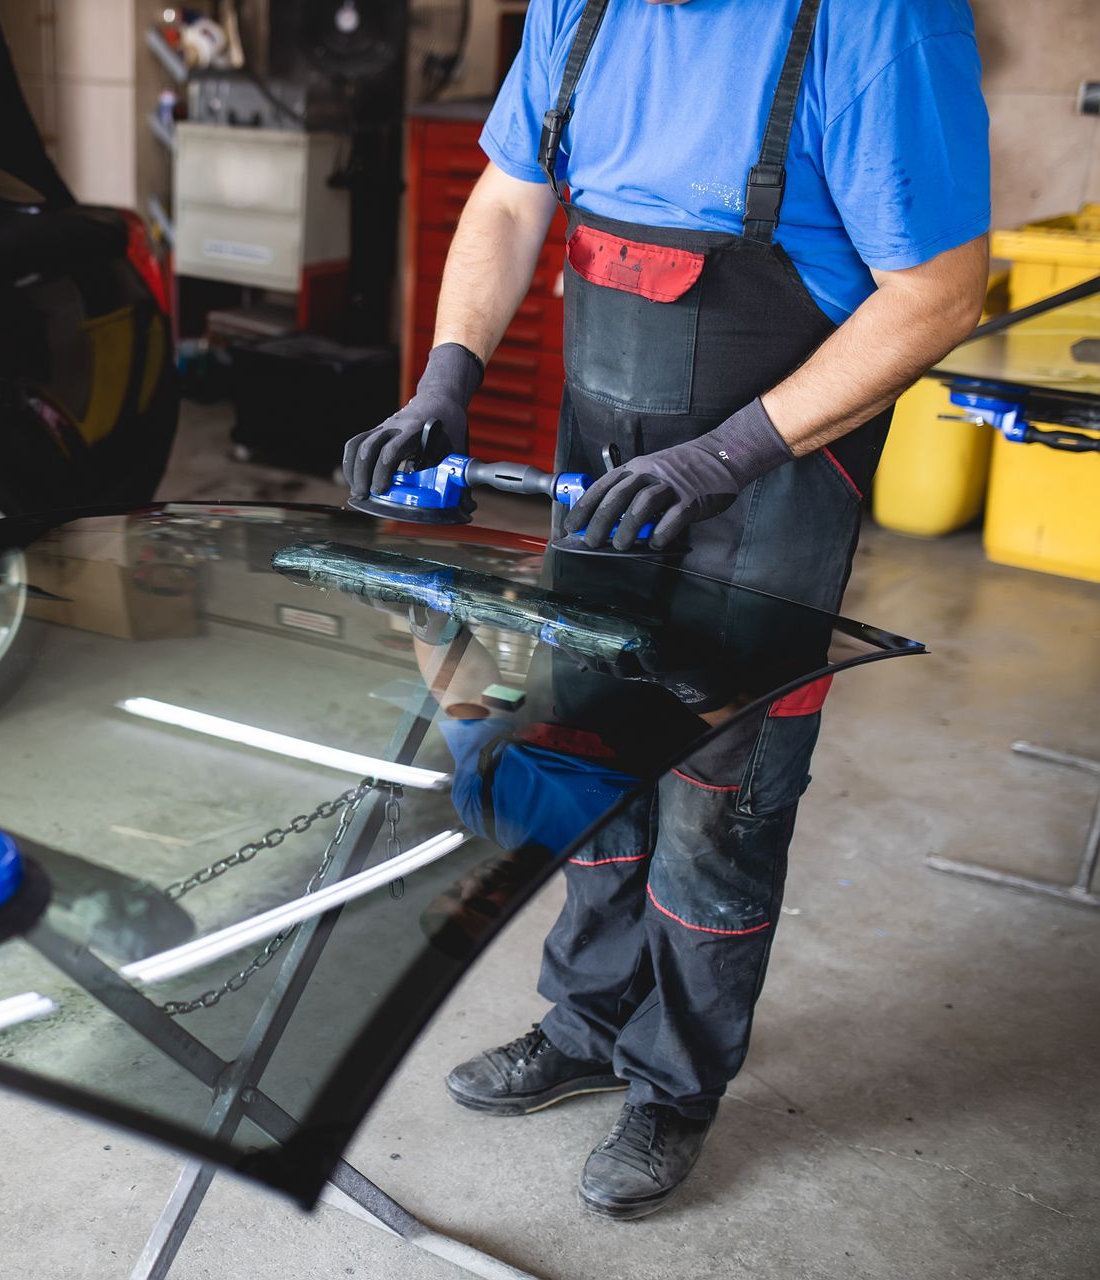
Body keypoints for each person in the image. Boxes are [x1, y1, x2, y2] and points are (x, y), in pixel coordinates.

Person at [344, 0, 991, 1219]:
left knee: (718, 798)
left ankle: (674, 1082)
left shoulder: (876, 23)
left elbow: (940, 294)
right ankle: (586, 1026)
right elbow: (505, 196)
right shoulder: (582, 11)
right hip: (602, 466)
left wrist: (721, 457)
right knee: (591, 747)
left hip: (776, 482)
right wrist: (446, 375)